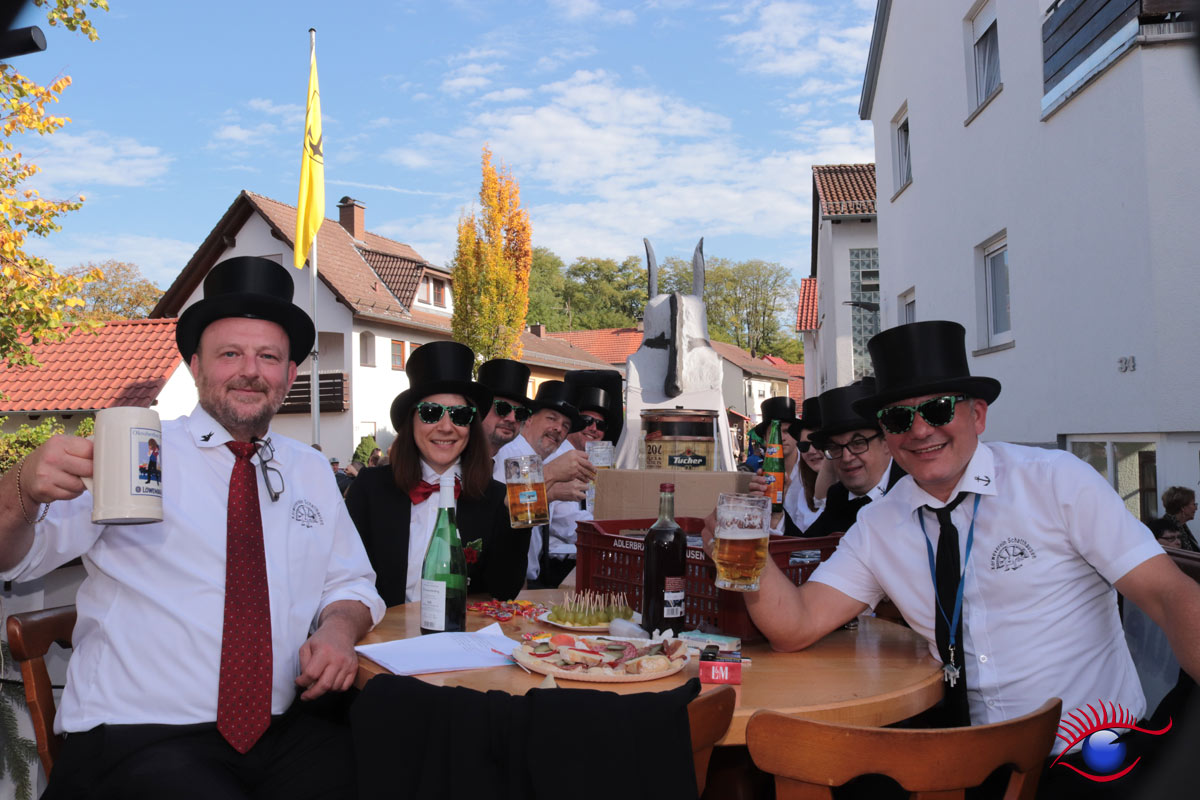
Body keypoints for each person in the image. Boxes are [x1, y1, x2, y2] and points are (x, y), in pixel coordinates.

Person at [717, 320, 1200, 796]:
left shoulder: (1056, 481)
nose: (921, 430)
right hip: (966, 762)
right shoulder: (880, 524)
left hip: (1087, 758)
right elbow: (796, 625)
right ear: (887, 433)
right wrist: (746, 538)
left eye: (939, 409)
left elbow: (1167, 594)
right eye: (900, 418)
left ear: (978, 415)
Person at [0, 256, 384, 799]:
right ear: (194, 367)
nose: (250, 370)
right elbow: (15, 556)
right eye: (230, 354)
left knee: (397, 764)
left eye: (268, 356)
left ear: (289, 375)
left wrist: (338, 630)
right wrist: (20, 485)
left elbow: (351, 584)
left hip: (284, 731)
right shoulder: (135, 448)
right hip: (139, 731)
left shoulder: (310, 469)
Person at [345, 341, 531, 608]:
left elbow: (505, 590)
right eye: (431, 413)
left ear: (471, 426)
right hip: (384, 640)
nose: (446, 427)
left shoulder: (496, 497)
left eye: (460, 415)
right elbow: (347, 578)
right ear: (411, 422)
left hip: (462, 640)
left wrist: (519, 515)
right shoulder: (371, 488)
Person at [495, 381, 593, 588]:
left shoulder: (540, 460)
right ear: (529, 419)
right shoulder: (512, 453)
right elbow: (510, 513)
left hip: (526, 576)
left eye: (565, 425)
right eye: (551, 418)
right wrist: (551, 488)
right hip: (507, 578)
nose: (558, 428)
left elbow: (565, 521)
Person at [799, 379, 906, 539]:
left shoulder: (912, 491)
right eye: (835, 447)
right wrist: (777, 517)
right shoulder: (838, 496)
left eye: (858, 443)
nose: (847, 457)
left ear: (886, 442)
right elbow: (806, 548)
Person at [785, 396, 832, 533]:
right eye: (804, 445)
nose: (811, 451)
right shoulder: (804, 489)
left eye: (818, 443)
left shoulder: (850, 486)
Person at [478, 358, 534, 457]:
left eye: (520, 413)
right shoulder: (450, 460)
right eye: (502, 408)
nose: (512, 419)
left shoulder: (516, 462)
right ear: (479, 408)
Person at [1149, 486, 1199, 551]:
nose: (1196, 508)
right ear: (1183, 508)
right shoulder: (1163, 527)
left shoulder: (1181, 526)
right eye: (1193, 504)